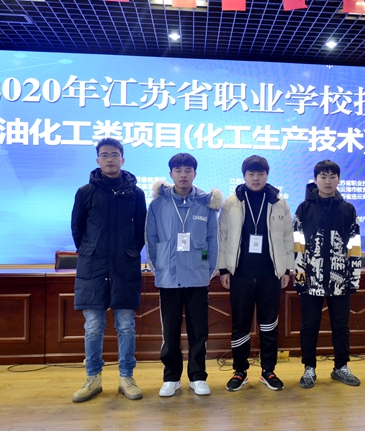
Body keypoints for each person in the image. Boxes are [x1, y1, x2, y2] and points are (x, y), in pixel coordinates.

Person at [70, 137, 147, 403]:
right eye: (105, 155)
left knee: (126, 325)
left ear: (122, 159)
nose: (110, 159)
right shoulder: (85, 192)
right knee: (93, 326)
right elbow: (78, 230)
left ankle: (127, 378)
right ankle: (93, 378)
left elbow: (140, 231)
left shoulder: (136, 193)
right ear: (98, 160)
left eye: (114, 154)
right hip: (93, 266)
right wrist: (92, 251)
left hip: (124, 266)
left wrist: (127, 251)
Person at [146, 153, 222, 397]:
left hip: (197, 277)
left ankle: (198, 376)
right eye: (178, 170)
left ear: (195, 174)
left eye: (188, 170)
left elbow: (212, 240)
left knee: (198, 331)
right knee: (170, 331)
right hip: (168, 277)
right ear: (171, 174)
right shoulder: (158, 204)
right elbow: (151, 239)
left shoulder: (206, 203)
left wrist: (207, 268)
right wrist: (158, 267)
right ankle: (171, 378)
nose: (183, 175)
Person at [218, 155, 294, 392]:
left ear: (267, 175)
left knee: (269, 325)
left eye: (260, 173)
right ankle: (240, 371)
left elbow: (287, 237)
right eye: (251, 174)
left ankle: (268, 370)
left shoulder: (279, 202)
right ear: (244, 176)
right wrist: (223, 269)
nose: (256, 178)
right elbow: (223, 237)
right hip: (240, 273)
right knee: (240, 325)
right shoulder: (231, 202)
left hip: (270, 274)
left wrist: (286, 269)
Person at [293, 159, 362, 389]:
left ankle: (341, 367)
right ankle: (309, 369)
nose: (328, 181)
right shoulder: (303, 209)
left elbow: (354, 246)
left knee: (341, 325)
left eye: (332, 177)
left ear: (338, 180)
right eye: (323, 176)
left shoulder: (348, 210)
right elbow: (298, 246)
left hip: (339, 279)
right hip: (310, 279)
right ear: (315, 180)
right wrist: (300, 278)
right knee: (309, 325)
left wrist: (353, 279)